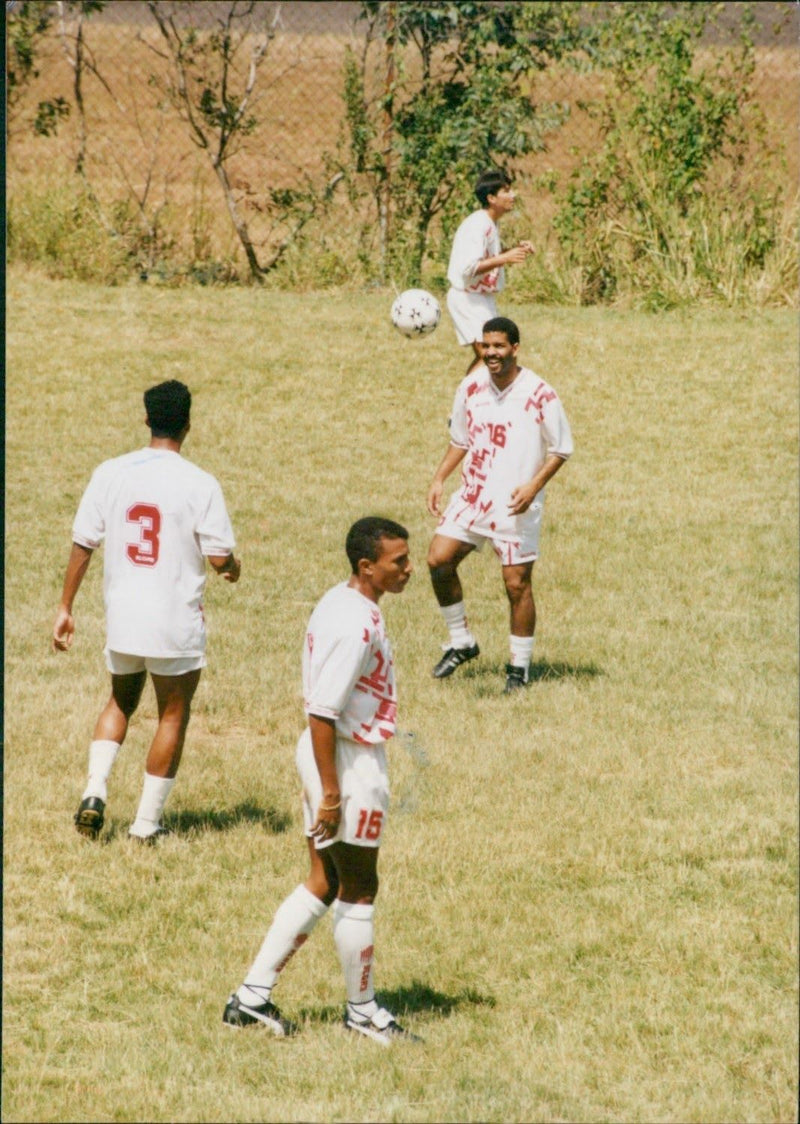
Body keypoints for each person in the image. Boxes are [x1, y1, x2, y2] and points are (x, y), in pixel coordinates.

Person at [223, 517, 420, 1046]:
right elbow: (322, 711)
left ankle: (250, 997)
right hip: (346, 762)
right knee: (359, 887)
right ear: (367, 566)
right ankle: (363, 1012)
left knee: (324, 881)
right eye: (398, 561)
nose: (408, 568)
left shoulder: (342, 600)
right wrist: (332, 793)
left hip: (329, 757)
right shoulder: (354, 626)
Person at [52, 379, 241, 842]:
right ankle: (145, 825)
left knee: (120, 701)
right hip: (174, 621)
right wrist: (234, 567)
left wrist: (65, 606)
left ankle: (95, 789)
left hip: (124, 617)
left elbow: (84, 541)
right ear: (189, 424)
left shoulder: (111, 471)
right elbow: (219, 559)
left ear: (146, 419)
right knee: (172, 714)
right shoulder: (200, 482)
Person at [426, 317, 573, 693]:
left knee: (516, 584)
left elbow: (560, 449)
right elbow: (460, 439)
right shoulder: (470, 387)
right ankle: (461, 641)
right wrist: (440, 477)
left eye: (499, 346)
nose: (491, 353)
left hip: (514, 505)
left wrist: (533, 487)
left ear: (515, 348)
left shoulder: (540, 393)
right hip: (474, 496)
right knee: (438, 559)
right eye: (486, 346)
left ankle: (518, 669)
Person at [446, 169, 533, 376]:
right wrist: (505, 258)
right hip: (467, 298)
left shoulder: (490, 223)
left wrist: (514, 250)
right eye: (506, 191)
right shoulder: (478, 225)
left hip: (480, 298)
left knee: (492, 357)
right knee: (489, 357)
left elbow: (487, 258)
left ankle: (475, 404)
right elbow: (469, 267)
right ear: (491, 198)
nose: (513, 196)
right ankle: (465, 405)